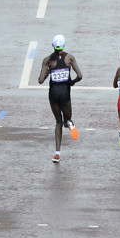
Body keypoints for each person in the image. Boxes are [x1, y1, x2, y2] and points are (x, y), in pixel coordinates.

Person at [37, 35, 82, 163]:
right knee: (67, 118)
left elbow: (40, 80)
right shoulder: (69, 58)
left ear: (52, 45)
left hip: (53, 94)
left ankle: (57, 153)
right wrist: (72, 82)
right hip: (65, 93)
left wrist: (47, 74)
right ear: (64, 45)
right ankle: (69, 123)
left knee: (58, 122)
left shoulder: (47, 60)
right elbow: (80, 75)